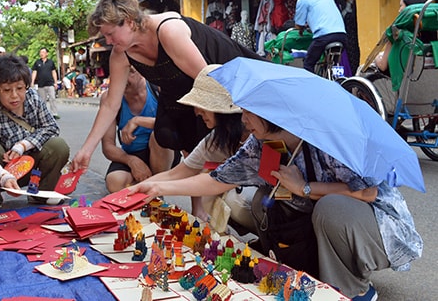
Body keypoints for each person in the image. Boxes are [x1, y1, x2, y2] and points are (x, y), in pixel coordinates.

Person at [128, 82, 422, 301]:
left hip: (377, 227)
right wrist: (157, 185)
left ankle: (355, 290)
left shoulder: (327, 137)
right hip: (339, 220)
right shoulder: (259, 143)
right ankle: (314, 269)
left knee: (329, 207)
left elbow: (368, 192)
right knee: (263, 201)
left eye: (248, 113)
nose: (243, 120)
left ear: (273, 114)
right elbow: (217, 180)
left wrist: (304, 187)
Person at [70, 0, 262, 172]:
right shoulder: (121, 53)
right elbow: (111, 104)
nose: (108, 41)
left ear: (129, 22)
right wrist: (86, 150)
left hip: (222, 84)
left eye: (110, 34)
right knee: (176, 139)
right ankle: (197, 206)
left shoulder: (168, 31)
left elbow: (209, 81)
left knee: (224, 148)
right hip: (182, 93)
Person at [144, 65, 256, 231]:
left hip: (266, 201)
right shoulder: (216, 139)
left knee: (235, 198)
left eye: (201, 105)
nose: (196, 112)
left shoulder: (256, 136)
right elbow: (179, 173)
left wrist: (157, 188)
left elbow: (210, 182)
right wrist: (137, 190)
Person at [0, 56, 70, 212]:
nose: (15, 95)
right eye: (7, 90)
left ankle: (41, 193)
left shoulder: (33, 99)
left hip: (31, 165)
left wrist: (22, 146)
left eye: (20, 88)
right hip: (2, 170)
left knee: (58, 146)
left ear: (26, 86)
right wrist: (3, 176)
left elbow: (50, 127)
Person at [102, 65, 178, 193]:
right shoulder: (109, 98)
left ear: (141, 73)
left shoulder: (158, 89)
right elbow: (108, 147)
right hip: (132, 153)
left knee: (158, 135)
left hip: (163, 152)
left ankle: (155, 191)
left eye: (128, 75)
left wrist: (138, 121)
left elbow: (176, 125)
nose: (122, 82)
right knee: (115, 181)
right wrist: (132, 161)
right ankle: (144, 188)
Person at [293, 0, 347, 73]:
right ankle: (338, 79)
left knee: (308, 63)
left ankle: (313, 87)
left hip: (324, 36)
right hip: (342, 35)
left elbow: (298, 25)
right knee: (333, 64)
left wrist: (301, 30)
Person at [375, 0, 430, 73]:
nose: (399, 10)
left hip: (404, 77)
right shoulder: (431, 35)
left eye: (401, 6)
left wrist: (376, 57)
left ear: (408, 9)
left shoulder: (397, 33)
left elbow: (383, 65)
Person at [31, 47, 60, 119]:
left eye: (43, 52)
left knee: (52, 98)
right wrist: (32, 82)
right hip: (41, 84)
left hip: (50, 83)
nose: (42, 54)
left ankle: (54, 113)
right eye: (41, 52)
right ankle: (43, 114)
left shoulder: (51, 62)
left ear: (47, 53)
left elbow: (54, 72)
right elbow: (34, 72)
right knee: (42, 100)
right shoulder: (37, 62)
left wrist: (56, 82)